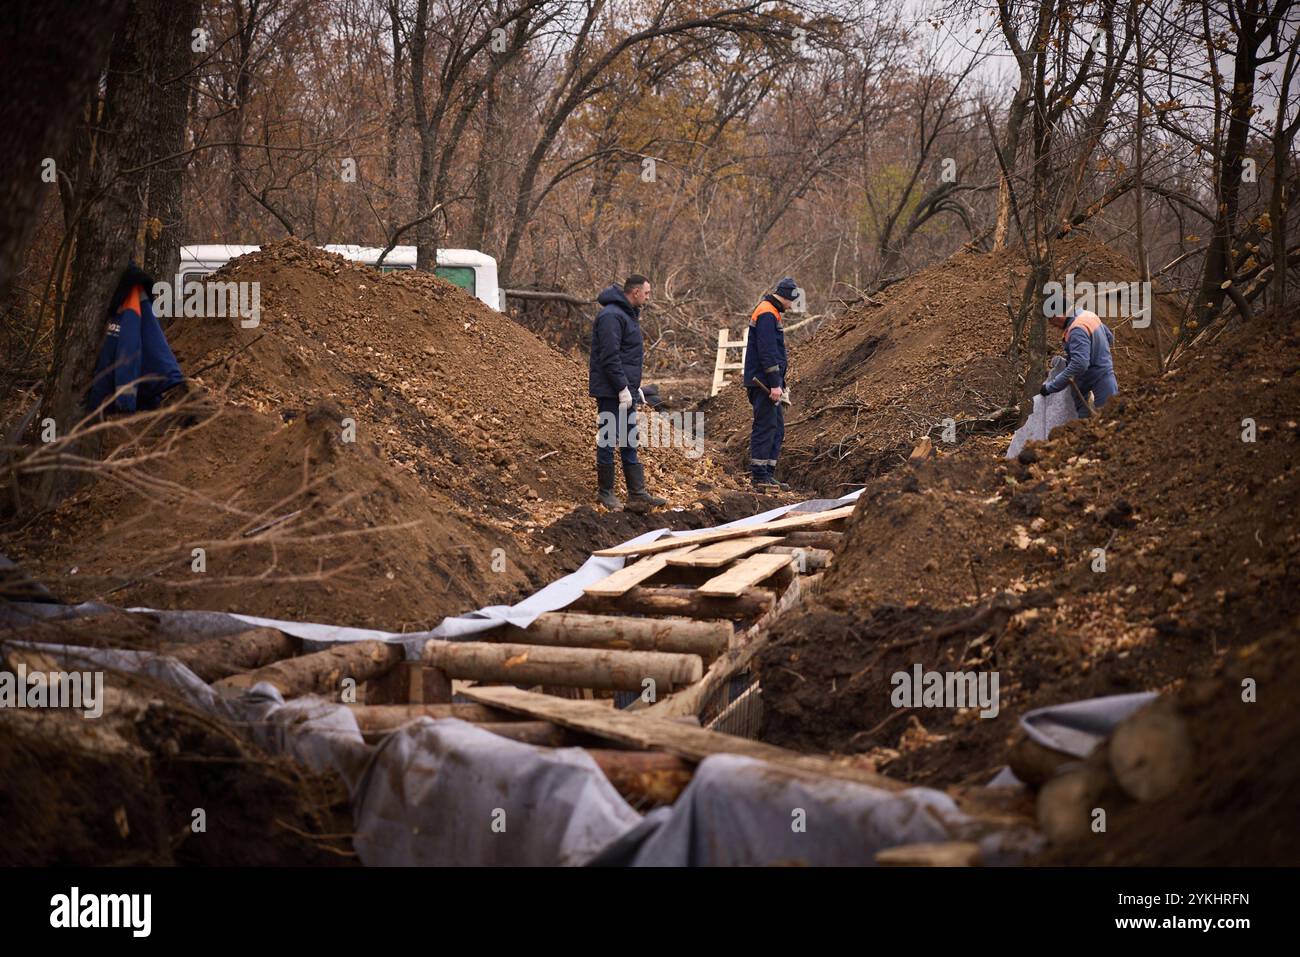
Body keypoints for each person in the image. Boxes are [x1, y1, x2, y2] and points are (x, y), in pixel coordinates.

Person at [588, 274, 667, 512]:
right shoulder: (611, 316)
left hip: (624, 391)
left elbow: (627, 357)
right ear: (635, 293)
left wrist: (634, 390)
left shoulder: (627, 315)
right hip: (611, 391)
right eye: (647, 292)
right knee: (608, 439)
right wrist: (622, 388)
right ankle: (606, 493)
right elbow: (610, 357)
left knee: (630, 440)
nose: (648, 297)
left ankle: (637, 493)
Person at [744, 277, 797, 491]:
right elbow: (767, 352)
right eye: (791, 301)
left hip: (770, 383)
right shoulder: (767, 312)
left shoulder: (771, 311)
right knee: (765, 427)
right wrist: (775, 384)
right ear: (785, 297)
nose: (791, 305)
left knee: (776, 428)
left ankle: (768, 475)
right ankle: (759, 477)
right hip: (763, 383)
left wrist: (781, 385)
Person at [1041, 307, 1118, 415]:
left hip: (1095, 377)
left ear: (1058, 315)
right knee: (1110, 414)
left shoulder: (1077, 329)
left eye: (1051, 320)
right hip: (1104, 375)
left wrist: (1050, 387)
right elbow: (1109, 337)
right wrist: (1097, 354)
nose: (1052, 325)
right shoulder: (1089, 315)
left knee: (1108, 418)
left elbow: (1080, 364)